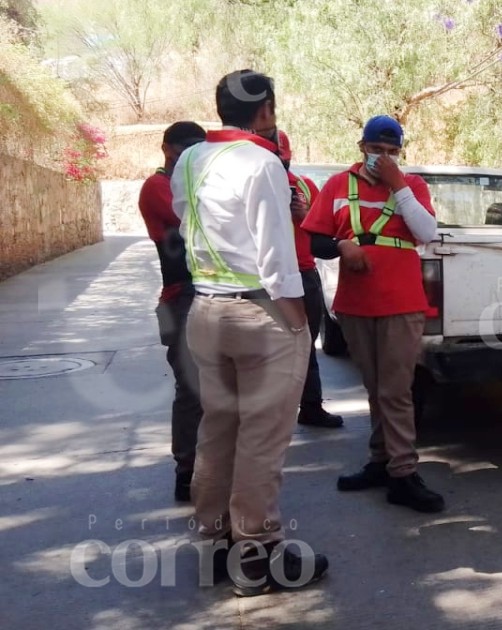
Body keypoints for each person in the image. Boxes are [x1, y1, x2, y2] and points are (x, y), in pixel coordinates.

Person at [172, 69, 328, 595]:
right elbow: (277, 257)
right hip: (261, 313)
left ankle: (214, 545)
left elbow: (182, 221)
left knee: (217, 432)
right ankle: (257, 555)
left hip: (205, 311)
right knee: (262, 440)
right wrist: (297, 320)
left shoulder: (189, 160)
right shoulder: (263, 163)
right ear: (266, 110)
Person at [302, 115, 444, 513]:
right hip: (356, 304)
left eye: (391, 151)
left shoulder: (411, 186)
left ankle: (402, 472)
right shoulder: (337, 185)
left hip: (401, 303)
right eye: (376, 149)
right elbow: (314, 238)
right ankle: (382, 460)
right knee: (375, 388)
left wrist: (397, 182)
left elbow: (427, 232)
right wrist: (341, 247)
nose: (382, 157)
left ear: (399, 153)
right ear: (361, 146)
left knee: (396, 391)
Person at [138, 121, 207, 503]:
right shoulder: (158, 186)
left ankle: (206, 469)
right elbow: (196, 221)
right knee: (191, 391)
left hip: (199, 295)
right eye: (184, 153)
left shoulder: (189, 183)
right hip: (177, 299)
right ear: (167, 150)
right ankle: (187, 472)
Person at [276, 130, 343, 428]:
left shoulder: (306, 187)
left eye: (282, 157)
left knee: (305, 343)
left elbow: (327, 237)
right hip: (265, 279)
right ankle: (268, 415)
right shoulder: (249, 186)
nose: (279, 163)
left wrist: (303, 216)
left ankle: (311, 407)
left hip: (304, 275)